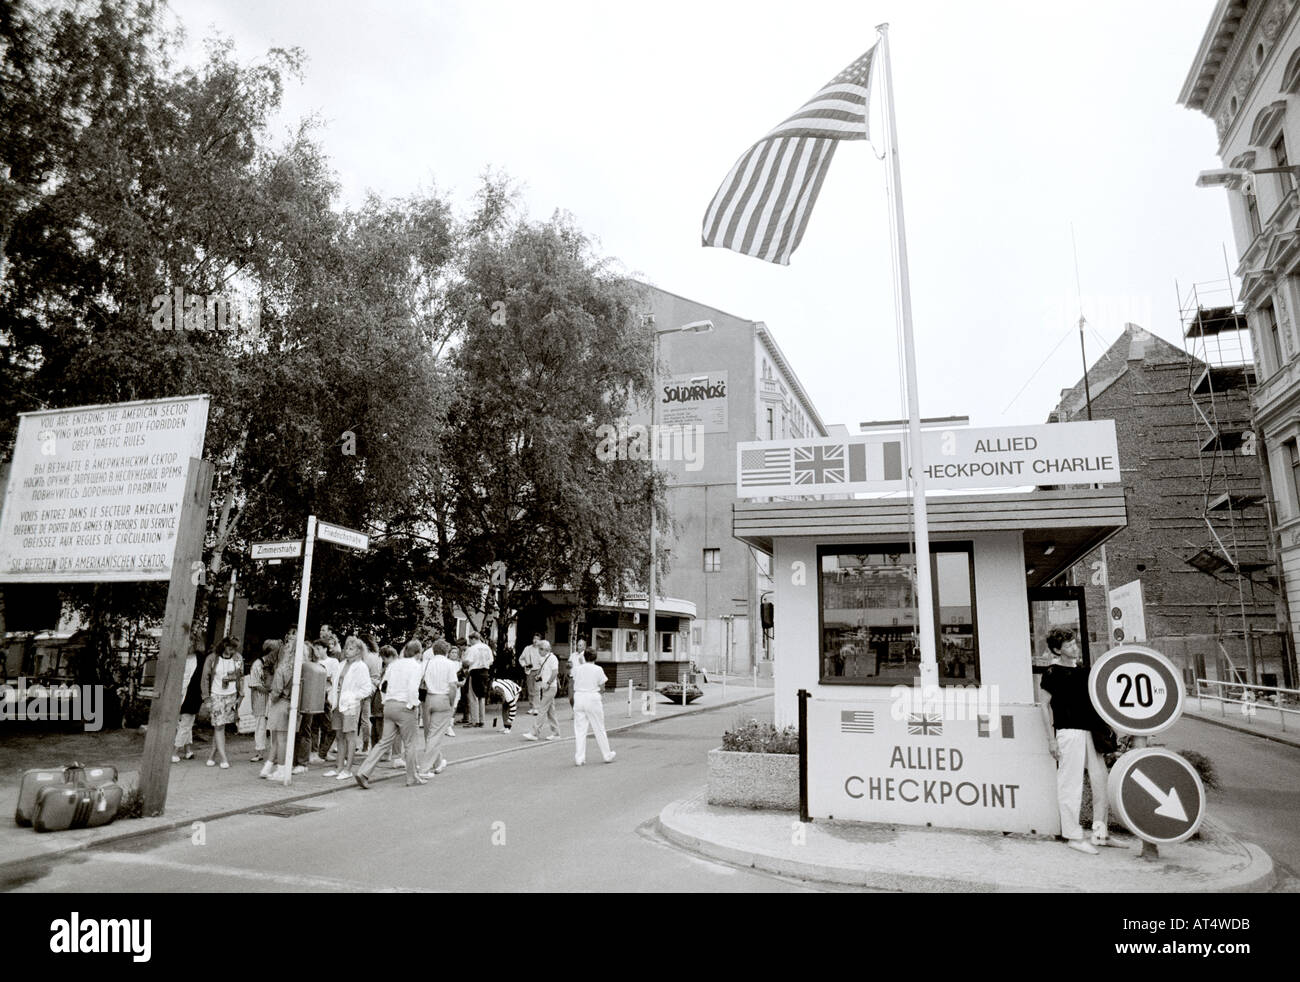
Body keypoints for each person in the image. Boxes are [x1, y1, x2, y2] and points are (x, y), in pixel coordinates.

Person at [1039, 627, 1110, 854]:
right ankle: (1073, 835)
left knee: (1101, 782)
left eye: (1074, 643)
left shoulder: (1084, 671)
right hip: (1068, 732)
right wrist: (1051, 739)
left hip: (1090, 731)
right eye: (1068, 645)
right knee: (1070, 784)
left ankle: (1100, 833)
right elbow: (1044, 706)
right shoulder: (1052, 672)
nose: (1074, 647)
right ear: (1057, 650)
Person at [355, 639, 426, 788]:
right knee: (410, 743)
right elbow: (413, 688)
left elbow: (383, 685)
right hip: (405, 706)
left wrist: (386, 701)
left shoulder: (394, 665)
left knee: (383, 742)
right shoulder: (416, 666)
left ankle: (364, 771)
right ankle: (411, 777)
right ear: (418, 653)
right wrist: (413, 704)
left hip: (389, 705)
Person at [324, 636, 375, 780]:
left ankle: (348, 769)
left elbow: (367, 689)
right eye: (346, 648)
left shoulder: (361, 666)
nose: (347, 651)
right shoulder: (341, 664)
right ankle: (339, 767)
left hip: (350, 705)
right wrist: (331, 695)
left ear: (359, 651)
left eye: (351, 649)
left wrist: (352, 696)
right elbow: (335, 683)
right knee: (339, 736)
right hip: (337, 704)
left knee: (350, 736)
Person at [417, 640, 461, 779]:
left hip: (428, 698)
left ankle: (437, 762)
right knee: (435, 735)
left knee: (429, 733)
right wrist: (451, 702)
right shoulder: (449, 664)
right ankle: (424, 769)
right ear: (446, 651)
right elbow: (453, 686)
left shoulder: (426, 663)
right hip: (442, 698)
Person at [200, 637, 244, 769]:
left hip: (231, 695)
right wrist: (206, 697)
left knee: (221, 725)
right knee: (219, 726)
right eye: (231, 648)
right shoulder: (212, 658)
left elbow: (240, 676)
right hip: (216, 695)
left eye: (235, 648)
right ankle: (224, 758)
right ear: (224, 646)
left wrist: (241, 695)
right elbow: (205, 678)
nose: (233, 651)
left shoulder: (237, 658)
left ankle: (212, 756)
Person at [571, 647, 615, 765]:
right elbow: (602, 687)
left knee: (580, 729)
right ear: (595, 657)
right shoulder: (598, 669)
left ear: (584, 657)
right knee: (599, 727)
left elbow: (574, 680)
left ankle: (579, 758)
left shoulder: (577, 669)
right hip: (592, 697)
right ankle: (607, 754)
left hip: (579, 697)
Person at [247, 640, 277, 763]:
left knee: (273, 725)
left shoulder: (275, 664)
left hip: (271, 697)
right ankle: (259, 751)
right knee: (260, 724)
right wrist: (270, 690)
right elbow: (255, 683)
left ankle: (274, 752)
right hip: (261, 697)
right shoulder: (257, 664)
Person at [522, 641, 560, 741]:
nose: (538, 651)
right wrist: (539, 676)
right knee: (550, 712)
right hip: (546, 687)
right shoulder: (543, 658)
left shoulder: (552, 658)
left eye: (540, 649)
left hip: (550, 687)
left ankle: (534, 733)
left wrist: (548, 683)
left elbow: (555, 672)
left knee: (542, 710)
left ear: (545, 650)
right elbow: (544, 671)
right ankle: (556, 733)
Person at [172, 645, 203, 763]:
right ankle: (188, 750)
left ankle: (175, 752)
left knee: (185, 724)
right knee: (186, 725)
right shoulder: (181, 658)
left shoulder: (200, 659)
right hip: (180, 693)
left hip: (191, 695)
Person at [464, 632, 493, 727]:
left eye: (470, 640)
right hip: (485, 672)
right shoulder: (487, 647)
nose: (470, 642)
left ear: (473, 639)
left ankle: (474, 720)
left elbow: (468, 661)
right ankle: (482, 720)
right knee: (482, 696)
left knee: (473, 696)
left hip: (475, 671)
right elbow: (491, 661)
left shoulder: (472, 649)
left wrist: (463, 662)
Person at [519, 633, 543, 713]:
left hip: (538, 671)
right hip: (529, 671)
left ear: (540, 641)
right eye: (534, 638)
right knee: (530, 690)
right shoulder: (527, 649)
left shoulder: (541, 650)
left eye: (537, 639)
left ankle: (536, 707)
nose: (535, 640)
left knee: (537, 689)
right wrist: (524, 665)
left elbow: (544, 661)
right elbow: (521, 659)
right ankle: (531, 706)